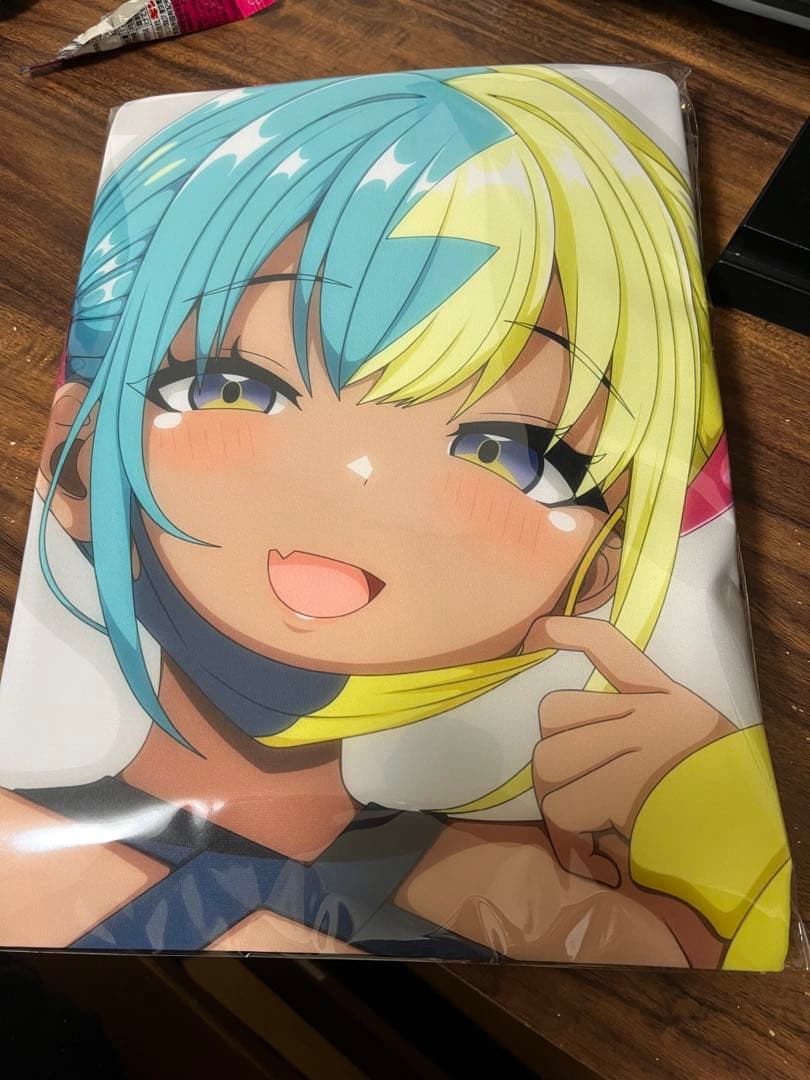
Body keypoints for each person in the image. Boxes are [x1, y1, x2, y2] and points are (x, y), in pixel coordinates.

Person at [0, 67, 791, 967]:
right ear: (80, 462)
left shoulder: (543, 897)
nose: (360, 478)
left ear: (595, 570)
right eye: (238, 386)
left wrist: (709, 808)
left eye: (510, 454)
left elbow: (734, 948)